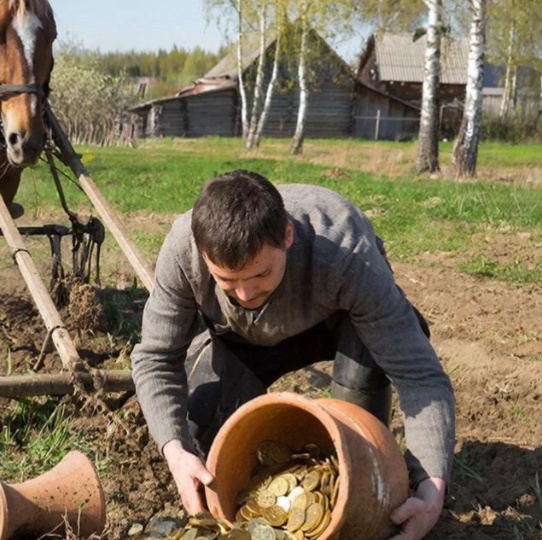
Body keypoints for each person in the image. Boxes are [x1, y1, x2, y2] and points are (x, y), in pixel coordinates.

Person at [131, 170, 455, 540]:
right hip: (239, 339)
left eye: (260, 274)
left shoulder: (347, 253)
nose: (245, 294)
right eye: (227, 281)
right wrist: (175, 450)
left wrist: (432, 487)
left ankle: (366, 473)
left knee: (359, 463)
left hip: (337, 326)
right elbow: (155, 358)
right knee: (207, 449)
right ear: (204, 256)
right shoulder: (183, 251)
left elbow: (419, 375)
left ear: (287, 236)